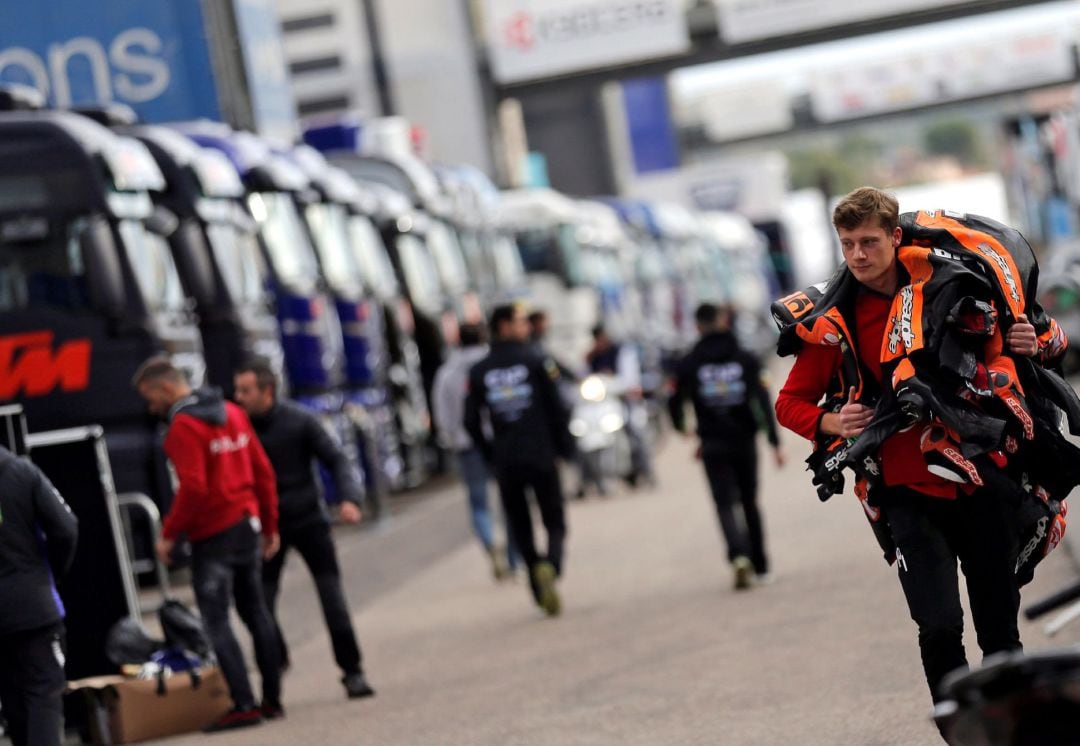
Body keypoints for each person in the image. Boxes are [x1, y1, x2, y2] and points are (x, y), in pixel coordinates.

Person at [772, 187, 1071, 714]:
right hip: (905, 494)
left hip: (982, 483)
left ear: (894, 237)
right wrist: (830, 420)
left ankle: (1007, 729)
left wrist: (1023, 347)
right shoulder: (836, 319)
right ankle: (961, 732)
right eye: (847, 245)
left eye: (868, 242)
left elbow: (1028, 348)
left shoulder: (954, 287)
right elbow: (789, 402)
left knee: (998, 629)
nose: (858, 255)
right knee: (937, 629)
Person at [133, 357, 282, 731]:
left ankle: (244, 704)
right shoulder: (232, 412)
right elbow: (262, 471)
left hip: (214, 534)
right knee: (256, 611)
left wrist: (168, 532)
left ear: (167, 388)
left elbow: (194, 487)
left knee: (217, 620)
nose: (151, 408)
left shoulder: (182, 426)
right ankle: (272, 698)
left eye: (151, 399)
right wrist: (269, 525)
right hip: (246, 524)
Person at [232, 361, 376, 700]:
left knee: (333, 601)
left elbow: (336, 458)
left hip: (309, 521)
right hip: (268, 527)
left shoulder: (299, 420)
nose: (238, 398)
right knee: (259, 605)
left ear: (267, 391)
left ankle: (352, 672)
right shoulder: (238, 430)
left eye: (245, 390)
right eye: (236, 390)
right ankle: (274, 666)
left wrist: (349, 498)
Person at [465, 303, 572, 616]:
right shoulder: (537, 360)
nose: (527, 327)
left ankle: (538, 584)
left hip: (507, 460)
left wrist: (489, 454)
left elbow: (470, 420)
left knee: (521, 525)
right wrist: (563, 448)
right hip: (542, 455)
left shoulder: (480, 370)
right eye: (521, 322)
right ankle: (551, 564)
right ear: (504, 326)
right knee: (554, 520)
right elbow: (558, 406)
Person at [669, 303, 784, 590]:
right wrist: (773, 441)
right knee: (749, 502)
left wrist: (682, 427)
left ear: (697, 326)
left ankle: (738, 555)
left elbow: (673, 399)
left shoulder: (690, 361)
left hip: (711, 442)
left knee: (723, 504)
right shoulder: (745, 357)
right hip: (744, 440)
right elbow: (762, 399)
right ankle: (760, 565)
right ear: (723, 321)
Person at [0, 445, 78, 746]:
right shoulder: (21, 471)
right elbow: (66, 528)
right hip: (32, 606)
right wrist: (46, 576)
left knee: (13, 701)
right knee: (44, 695)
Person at [432, 323, 520, 581]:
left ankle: (490, 544)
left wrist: (453, 436)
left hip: (466, 446)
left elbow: (443, 416)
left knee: (478, 503)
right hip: (499, 441)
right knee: (510, 501)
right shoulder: (493, 365)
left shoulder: (447, 372)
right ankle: (514, 558)